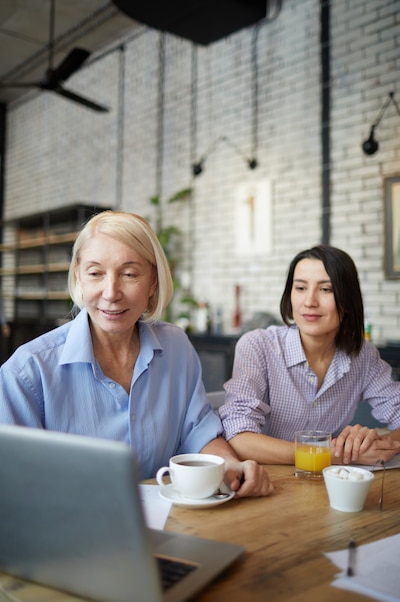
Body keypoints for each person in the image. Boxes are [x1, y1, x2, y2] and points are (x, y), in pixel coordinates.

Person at [0, 210, 272, 498]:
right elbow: (14, 485)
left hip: (173, 522)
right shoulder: (27, 372)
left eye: (129, 274)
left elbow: (198, 432)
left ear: (153, 281)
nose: (111, 292)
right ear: (79, 276)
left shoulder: (176, 347)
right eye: (95, 273)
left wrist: (228, 465)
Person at [219, 245, 400, 467]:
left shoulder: (363, 356)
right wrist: (333, 454)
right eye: (301, 288)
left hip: (326, 484)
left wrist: (373, 446)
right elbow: (239, 438)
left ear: (347, 300)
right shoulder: (258, 346)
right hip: (266, 480)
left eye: (326, 290)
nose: (310, 301)